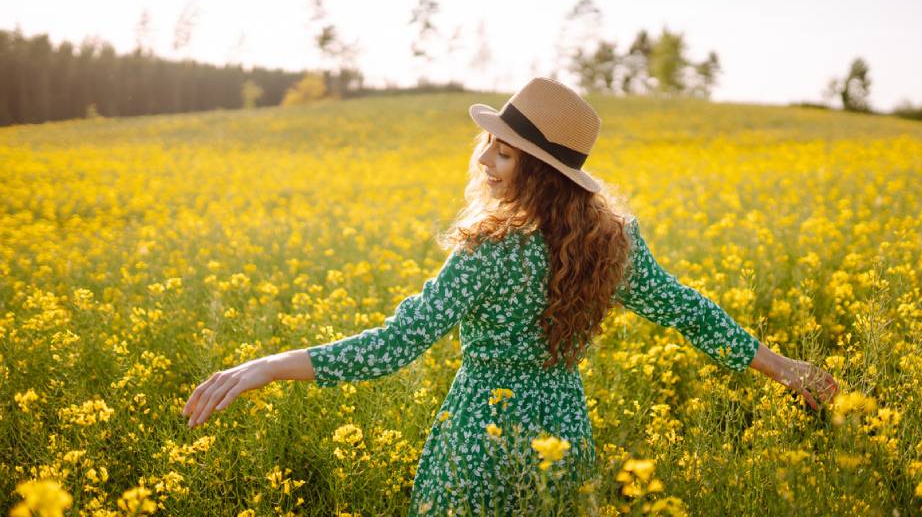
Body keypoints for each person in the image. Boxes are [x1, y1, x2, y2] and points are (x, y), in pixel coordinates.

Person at [182, 77, 840, 515]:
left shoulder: (487, 254)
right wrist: (782, 367)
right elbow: (687, 311)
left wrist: (265, 366)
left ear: (542, 172)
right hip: (561, 435)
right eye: (488, 147)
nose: (484, 163)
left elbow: (391, 347)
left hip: (481, 438)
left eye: (503, 154)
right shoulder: (612, 244)